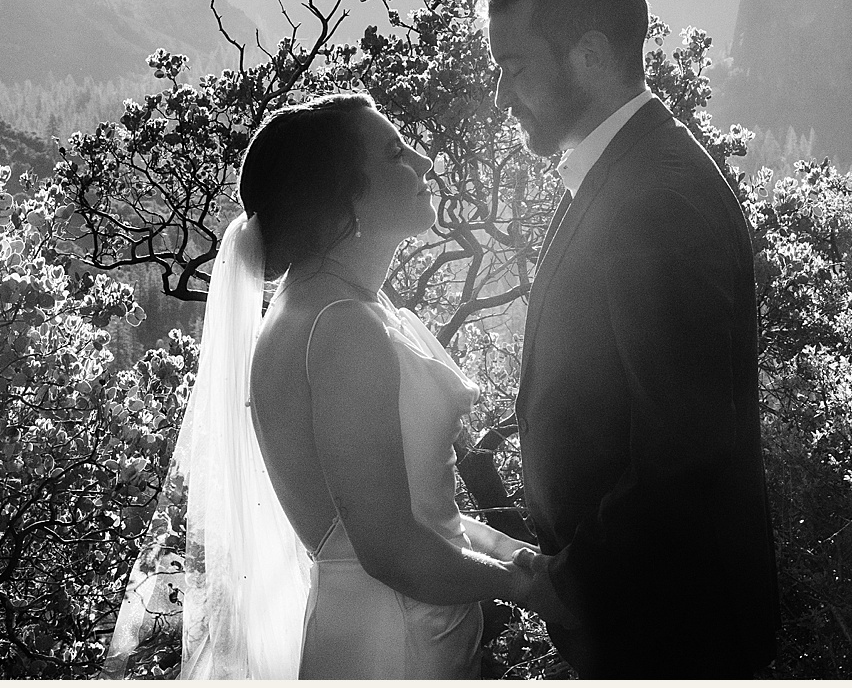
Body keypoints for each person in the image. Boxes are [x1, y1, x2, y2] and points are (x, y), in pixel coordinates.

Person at [116, 92, 559, 678]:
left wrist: (520, 559)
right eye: (396, 154)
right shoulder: (339, 326)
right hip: (394, 642)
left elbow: (427, 519)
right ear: (347, 198)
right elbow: (391, 549)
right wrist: (528, 588)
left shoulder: (342, 306)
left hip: (399, 622)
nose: (424, 162)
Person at [486, 0, 781, 676]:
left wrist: (571, 581)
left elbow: (682, 447)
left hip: (670, 629)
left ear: (589, 55)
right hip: (639, 615)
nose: (500, 95)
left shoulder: (658, 197)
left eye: (515, 67)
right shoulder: (624, 172)